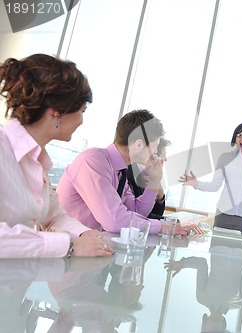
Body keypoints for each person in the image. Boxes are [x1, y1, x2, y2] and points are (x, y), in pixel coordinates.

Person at [0, 53, 113, 258]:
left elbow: (53, 216)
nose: (81, 120)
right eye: (82, 110)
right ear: (57, 112)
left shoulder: (37, 161)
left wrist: (85, 234)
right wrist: (68, 246)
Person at [57, 109, 202, 235]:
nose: (155, 154)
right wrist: (164, 227)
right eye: (155, 147)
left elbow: (137, 213)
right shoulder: (93, 162)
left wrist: (154, 182)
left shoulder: (120, 172)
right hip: (66, 249)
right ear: (139, 144)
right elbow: (114, 220)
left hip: (92, 245)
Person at [127, 137, 170, 219]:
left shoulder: (152, 176)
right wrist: (169, 222)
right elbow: (134, 214)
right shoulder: (128, 173)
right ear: (153, 156)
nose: (165, 159)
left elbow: (157, 212)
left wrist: (160, 195)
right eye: (163, 156)